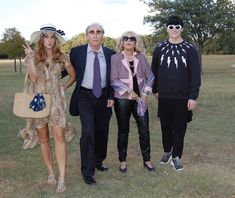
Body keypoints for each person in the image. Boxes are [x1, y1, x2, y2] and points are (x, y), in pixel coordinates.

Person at [21, 24, 76, 192]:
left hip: (56, 101)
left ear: (56, 40)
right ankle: (51, 173)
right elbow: (33, 77)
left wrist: (64, 87)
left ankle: (62, 179)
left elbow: (73, 75)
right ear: (41, 39)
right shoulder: (33, 56)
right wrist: (30, 59)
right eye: (46, 37)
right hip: (38, 99)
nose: (49, 40)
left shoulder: (62, 57)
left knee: (59, 136)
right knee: (43, 138)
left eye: (52, 37)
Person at [151, 15, 201, 171]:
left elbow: (195, 75)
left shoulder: (191, 49)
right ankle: (167, 151)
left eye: (177, 27)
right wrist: (155, 89)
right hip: (164, 95)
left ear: (182, 28)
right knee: (165, 126)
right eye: (171, 27)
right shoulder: (159, 48)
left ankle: (176, 156)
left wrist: (193, 96)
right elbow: (154, 72)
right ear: (166, 28)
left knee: (180, 127)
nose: (174, 30)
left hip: (183, 96)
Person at [68, 23, 115, 185]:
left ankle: (98, 160)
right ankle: (87, 171)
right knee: (88, 131)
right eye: (92, 32)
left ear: (103, 35)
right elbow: (64, 70)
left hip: (103, 97)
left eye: (99, 32)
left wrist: (111, 96)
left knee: (102, 131)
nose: (95, 35)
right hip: (84, 96)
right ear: (87, 35)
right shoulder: (76, 52)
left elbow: (113, 78)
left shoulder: (110, 54)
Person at [111, 31, 155, 173]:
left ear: (136, 42)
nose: (129, 41)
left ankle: (147, 160)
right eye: (126, 38)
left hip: (140, 100)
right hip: (122, 100)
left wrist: (144, 93)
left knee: (144, 130)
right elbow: (113, 80)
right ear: (122, 42)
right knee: (123, 130)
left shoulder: (141, 58)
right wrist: (130, 92)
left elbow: (151, 76)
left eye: (132, 39)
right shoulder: (115, 58)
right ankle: (122, 161)